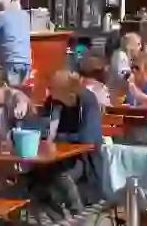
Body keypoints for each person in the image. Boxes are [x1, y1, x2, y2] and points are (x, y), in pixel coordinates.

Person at [41, 70, 104, 216]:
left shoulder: (87, 100)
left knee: (61, 176)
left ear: (65, 91)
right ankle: (55, 216)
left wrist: (59, 139)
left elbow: (87, 138)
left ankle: (78, 215)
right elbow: (43, 128)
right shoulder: (52, 102)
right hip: (54, 157)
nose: (48, 91)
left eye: (52, 88)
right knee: (31, 177)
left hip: (84, 159)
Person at [0, 0, 32, 87]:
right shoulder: (25, 15)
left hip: (11, 61)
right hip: (26, 61)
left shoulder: (0, 16)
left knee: (10, 94)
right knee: (20, 94)